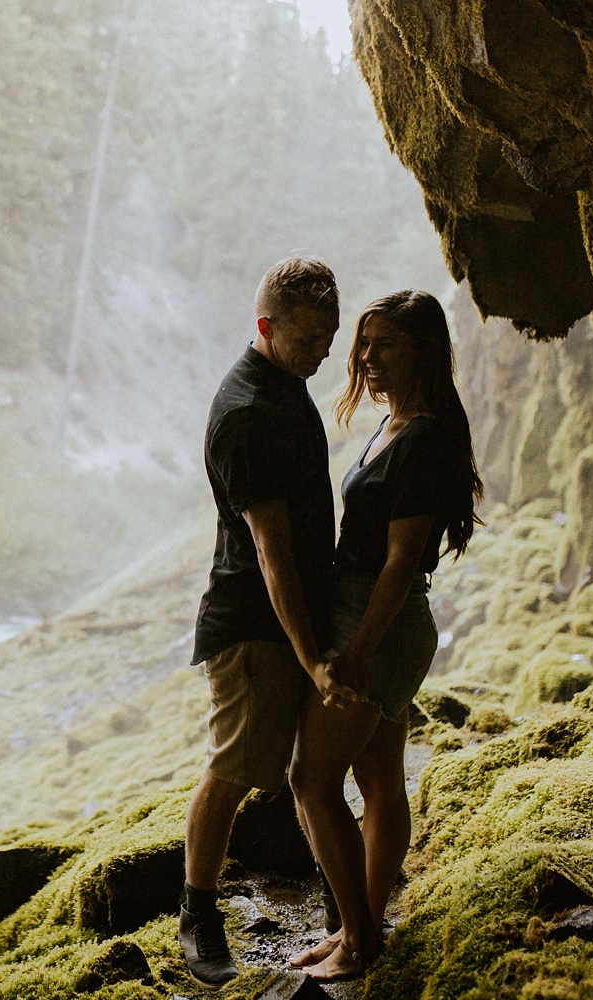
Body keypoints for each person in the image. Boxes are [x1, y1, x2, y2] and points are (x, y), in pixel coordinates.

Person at [287, 290, 483, 981]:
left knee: (310, 780)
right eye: (365, 345)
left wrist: (358, 651)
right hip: (375, 616)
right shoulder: (397, 423)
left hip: (380, 622)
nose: (367, 358)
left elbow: (401, 563)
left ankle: (360, 937)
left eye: (386, 345)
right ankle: (360, 931)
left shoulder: (424, 437)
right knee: (376, 781)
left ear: (421, 351)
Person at [179, 257, 355, 987]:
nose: (323, 351)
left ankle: (339, 908)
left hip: (293, 618)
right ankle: (197, 911)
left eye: (330, 337)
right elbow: (271, 552)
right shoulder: (249, 411)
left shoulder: (285, 385)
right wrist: (311, 654)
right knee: (235, 767)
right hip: (255, 624)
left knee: (303, 768)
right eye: (311, 337)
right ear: (266, 327)